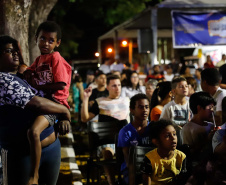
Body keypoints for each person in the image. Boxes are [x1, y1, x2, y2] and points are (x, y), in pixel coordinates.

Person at [0, 35, 71, 185]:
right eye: (8, 51)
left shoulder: (23, 76)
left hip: (51, 147)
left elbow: (51, 96)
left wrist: (61, 116)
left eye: (16, 51)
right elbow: (38, 103)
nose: (15, 54)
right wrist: (65, 111)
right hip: (21, 154)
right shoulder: (2, 80)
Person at [24, 21, 72, 184]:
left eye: (51, 40)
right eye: (42, 39)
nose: (46, 43)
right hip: (43, 103)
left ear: (57, 43)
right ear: (36, 38)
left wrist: (38, 85)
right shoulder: (39, 60)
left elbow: (60, 84)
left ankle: (34, 175)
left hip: (54, 104)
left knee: (34, 132)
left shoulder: (55, 58)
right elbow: (27, 71)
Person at [81, 74, 130, 185]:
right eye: (113, 86)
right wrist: (85, 98)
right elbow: (84, 118)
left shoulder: (127, 101)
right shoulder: (100, 102)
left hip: (126, 139)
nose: (117, 88)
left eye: (119, 85)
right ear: (107, 87)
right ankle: (112, 182)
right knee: (108, 153)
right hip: (107, 140)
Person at [117, 94, 152, 184]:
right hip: (131, 170)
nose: (144, 110)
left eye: (147, 107)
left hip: (152, 168)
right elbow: (128, 160)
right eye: (140, 107)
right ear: (132, 110)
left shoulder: (154, 128)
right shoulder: (125, 132)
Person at [140, 119, 186, 185]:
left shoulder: (181, 157)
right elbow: (146, 181)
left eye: (174, 134)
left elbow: (182, 180)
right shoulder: (149, 158)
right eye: (167, 136)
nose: (173, 138)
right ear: (156, 141)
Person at [182, 92, 216, 165]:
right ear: (199, 108)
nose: (212, 110)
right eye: (210, 108)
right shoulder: (188, 128)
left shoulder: (211, 125)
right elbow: (189, 152)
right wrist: (207, 139)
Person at [160, 77, 192, 146]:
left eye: (186, 86)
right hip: (174, 142)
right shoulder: (168, 107)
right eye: (181, 87)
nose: (185, 88)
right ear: (174, 91)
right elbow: (162, 126)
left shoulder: (192, 104)